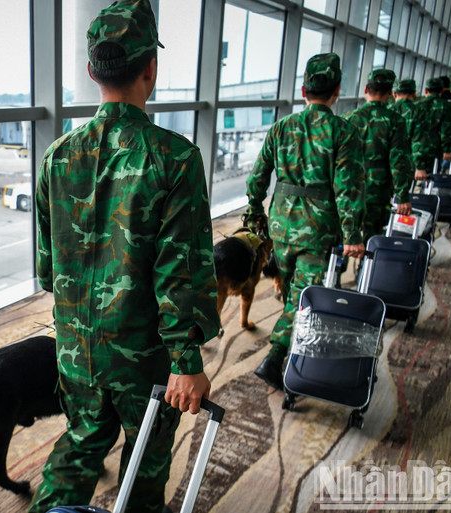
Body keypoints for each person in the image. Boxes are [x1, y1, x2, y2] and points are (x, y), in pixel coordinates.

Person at [29, 1, 221, 512]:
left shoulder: (58, 156)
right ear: (150, 69)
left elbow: (48, 269)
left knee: (79, 447)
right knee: (145, 460)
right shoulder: (174, 157)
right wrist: (187, 361)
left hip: (75, 347)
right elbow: (183, 271)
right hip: (144, 357)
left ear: (92, 71)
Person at [245, 53, 366, 390]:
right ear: (337, 90)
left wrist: (255, 210)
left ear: (303, 90)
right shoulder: (343, 131)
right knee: (304, 294)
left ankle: (293, 341)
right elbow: (349, 188)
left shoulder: (281, 127)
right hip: (319, 228)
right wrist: (354, 234)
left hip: (280, 224)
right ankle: (275, 356)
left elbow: (257, 178)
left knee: (292, 290)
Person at [343, 69, 413, 244]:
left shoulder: (349, 118)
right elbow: (398, 161)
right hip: (378, 190)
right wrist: (402, 196)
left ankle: (337, 268)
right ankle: (367, 268)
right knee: (372, 238)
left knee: (345, 235)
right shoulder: (396, 121)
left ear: (366, 90)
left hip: (349, 188)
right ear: (390, 93)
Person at [419, 78, 451, 179]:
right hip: (435, 147)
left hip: (416, 147)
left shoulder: (417, 106)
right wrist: (447, 150)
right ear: (442, 90)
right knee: (432, 176)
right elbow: (447, 130)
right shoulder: (447, 106)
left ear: (426, 90)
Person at [391, 78, 431, 180]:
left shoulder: (386, 110)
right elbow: (419, 139)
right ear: (414, 94)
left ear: (394, 94)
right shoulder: (418, 111)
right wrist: (419, 166)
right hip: (406, 164)